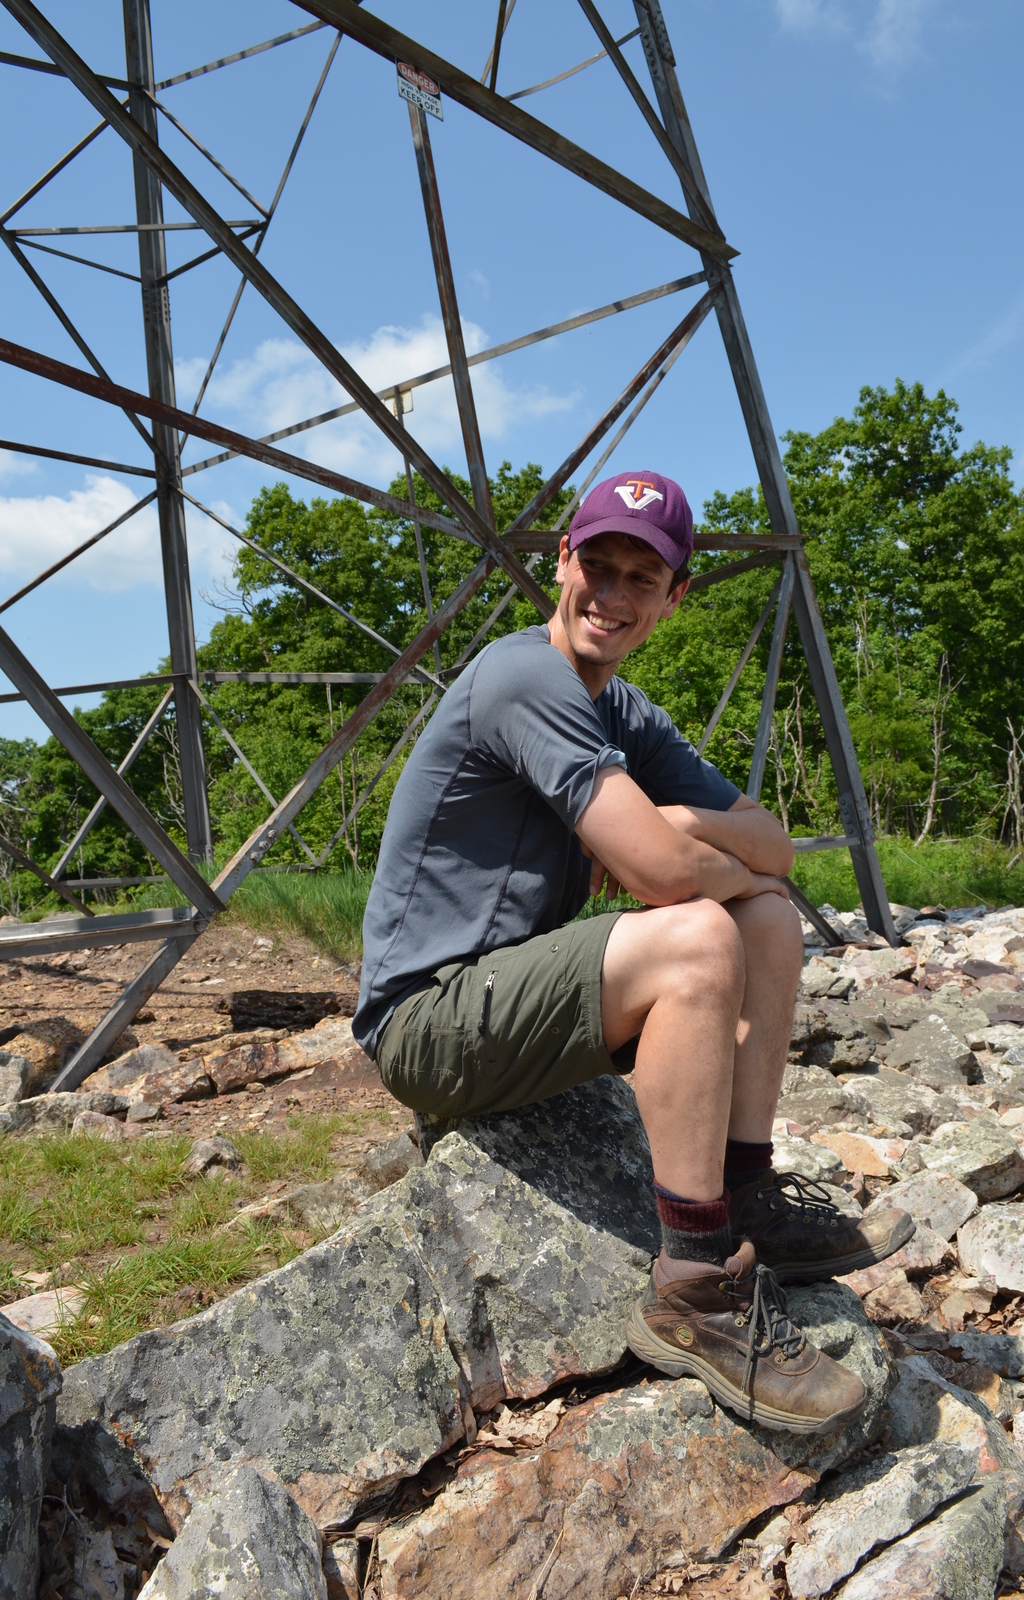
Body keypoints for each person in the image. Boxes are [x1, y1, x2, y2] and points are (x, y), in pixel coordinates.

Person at [354, 469, 912, 1434]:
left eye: (640, 578)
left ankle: (745, 1194)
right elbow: (660, 876)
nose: (611, 595)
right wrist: (682, 857)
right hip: (427, 1022)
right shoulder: (523, 676)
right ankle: (695, 1286)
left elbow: (772, 845)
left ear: (673, 596)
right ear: (560, 562)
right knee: (698, 933)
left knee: (767, 916)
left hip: (517, 1002)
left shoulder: (625, 711)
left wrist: (683, 827)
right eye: (597, 566)